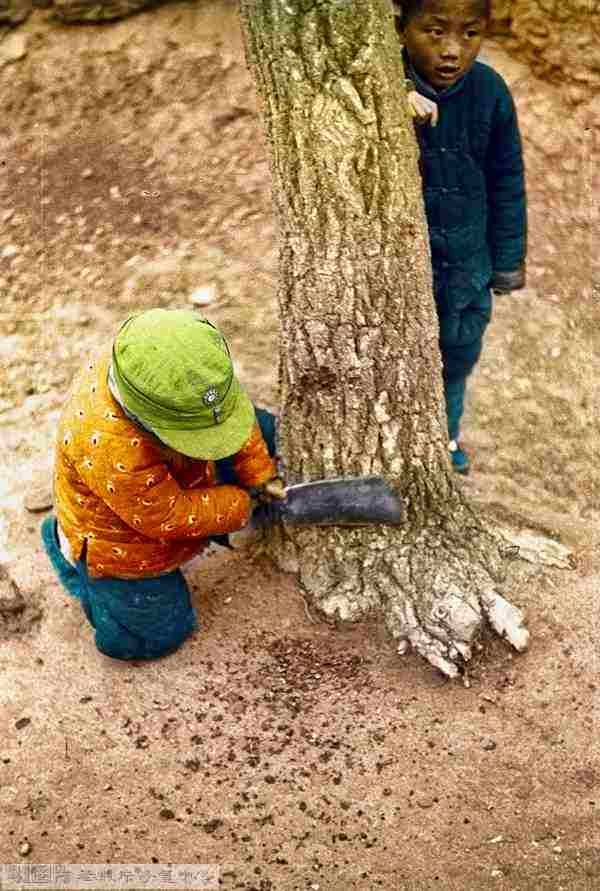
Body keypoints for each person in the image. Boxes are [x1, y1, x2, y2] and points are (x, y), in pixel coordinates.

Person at [41, 308, 282, 661]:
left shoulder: (191, 374)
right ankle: (69, 548)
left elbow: (236, 415)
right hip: (123, 539)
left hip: (172, 475)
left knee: (263, 427)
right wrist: (242, 504)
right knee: (159, 633)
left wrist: (260, 474)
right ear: (144, 418)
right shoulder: (110, 445)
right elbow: (166, 515)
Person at [394, 0, 527, 473]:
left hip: (469, 264)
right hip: (408, 269)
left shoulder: (490, 92)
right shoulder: (383, 84)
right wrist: (392, 98)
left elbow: (507, 178)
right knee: (402, 356)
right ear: (400, 27)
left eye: (469, 34)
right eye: (434, 31)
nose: (452, 50)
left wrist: (507, 262)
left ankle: (444, 438)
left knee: (457, 353)